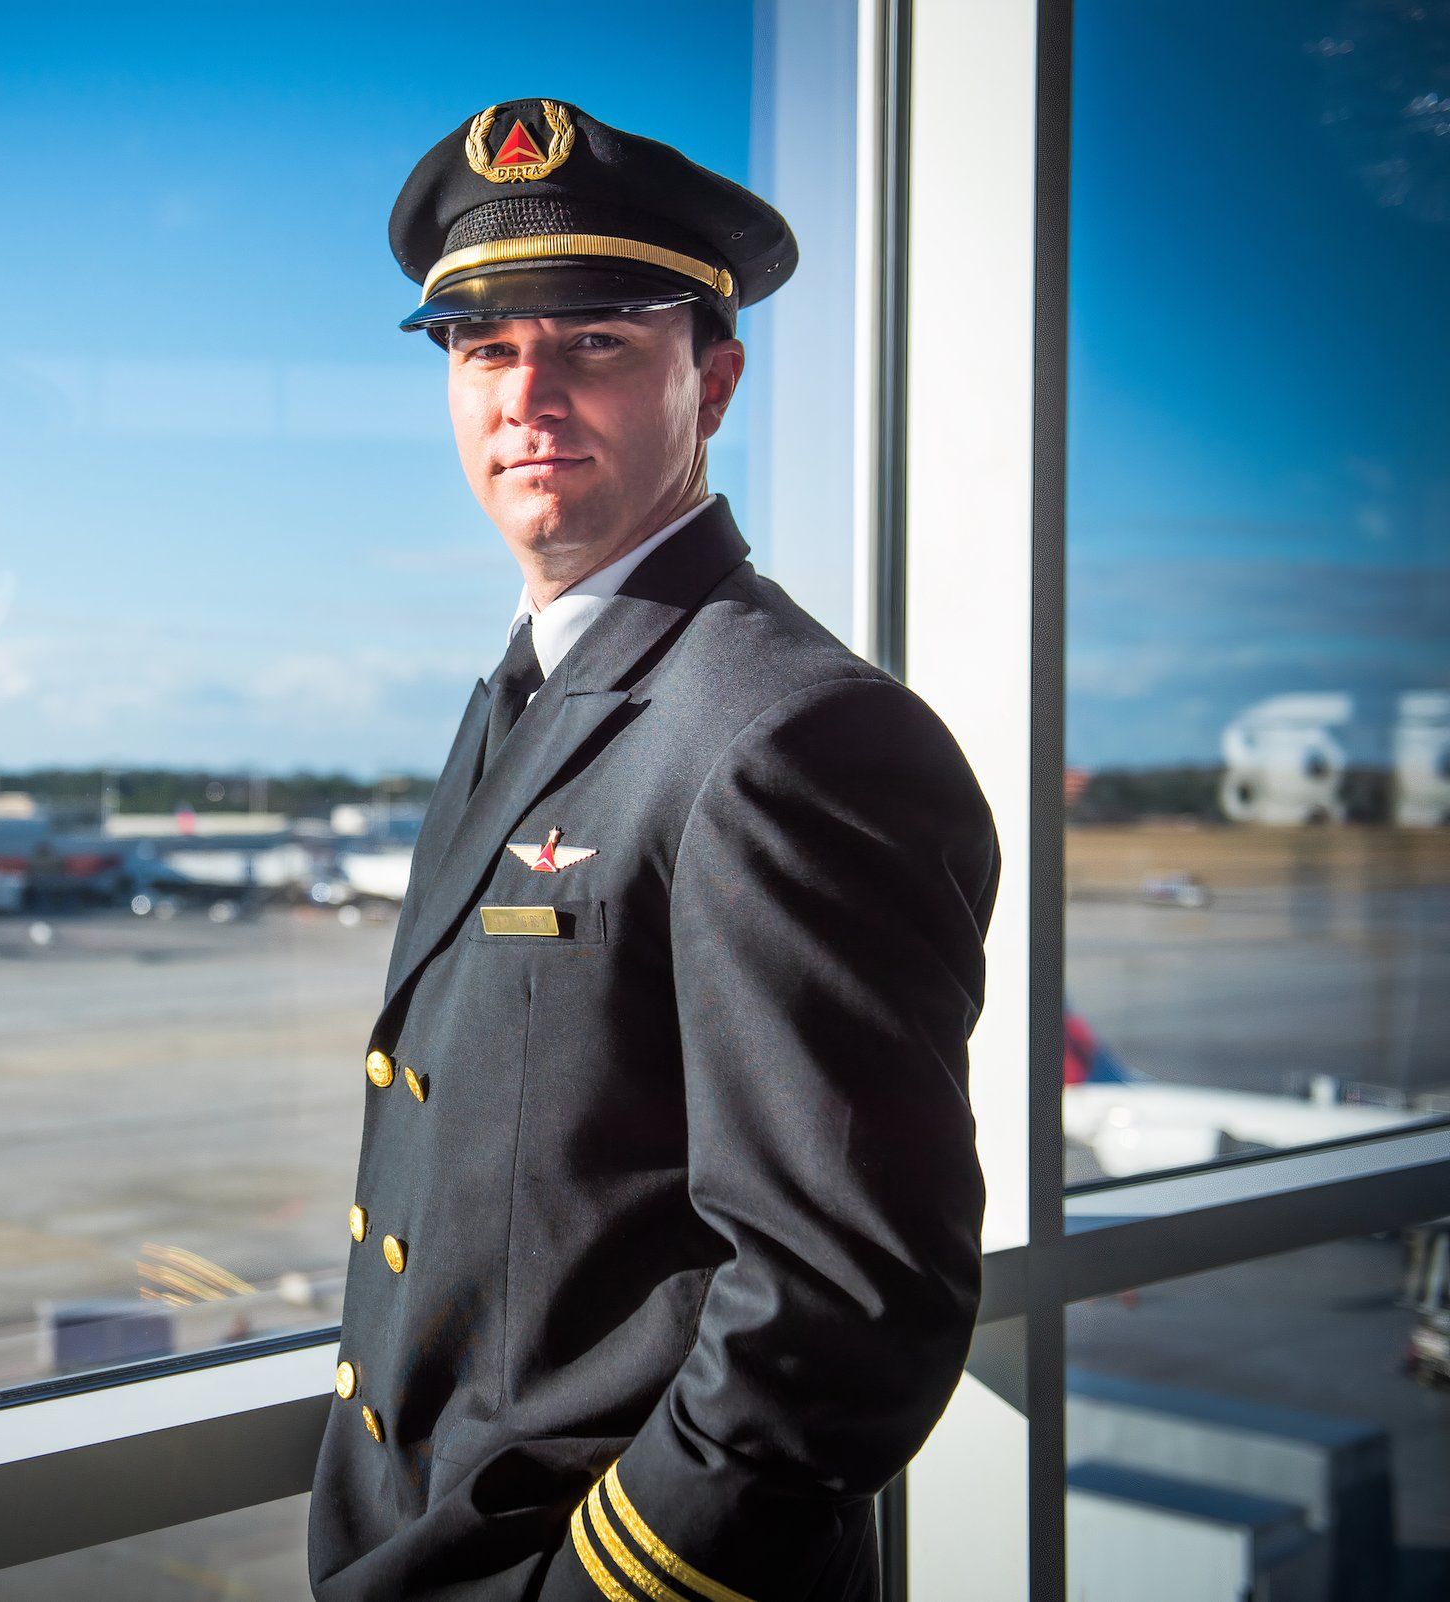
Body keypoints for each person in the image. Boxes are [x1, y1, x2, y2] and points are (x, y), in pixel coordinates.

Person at [306, 100, 1000, 1602]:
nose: (527, 396)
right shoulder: (540, 692)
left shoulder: (789, 733)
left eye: (595, 343)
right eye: (484, 349)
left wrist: (602, 1585)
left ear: (717, 379)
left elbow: (849, 1297)